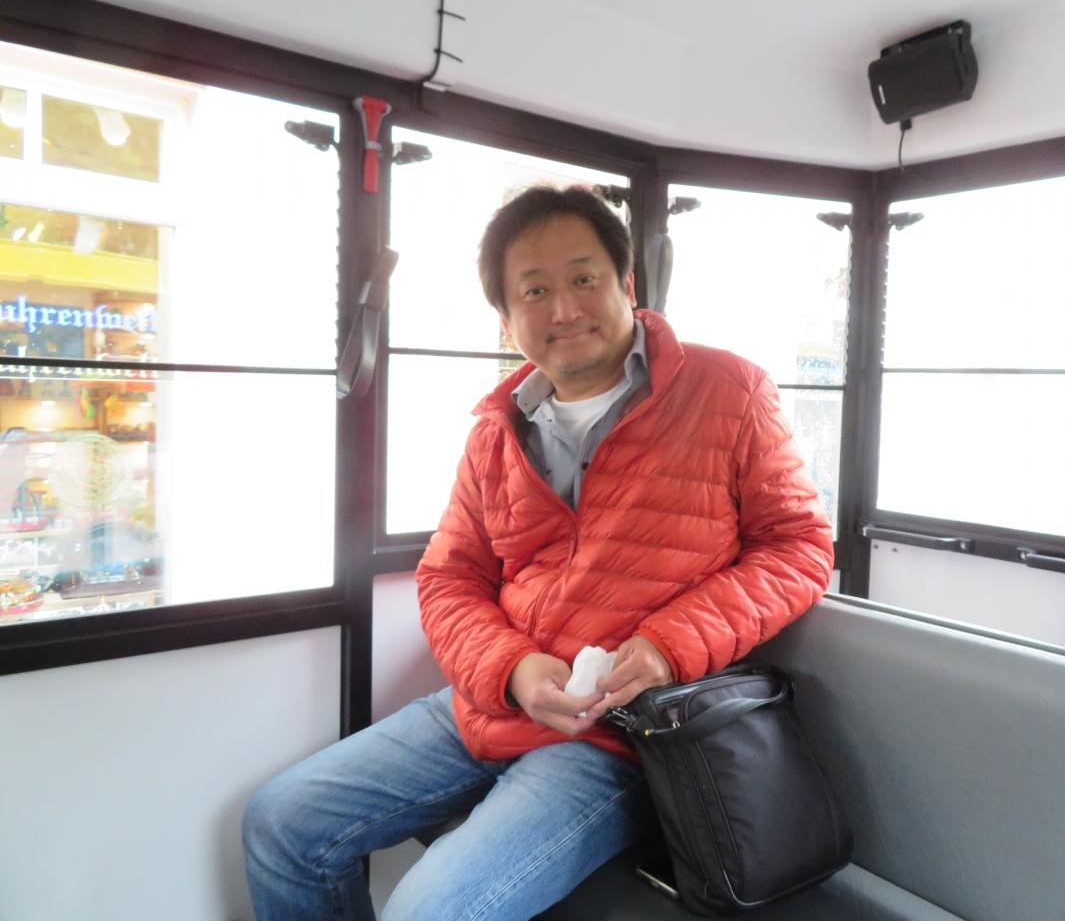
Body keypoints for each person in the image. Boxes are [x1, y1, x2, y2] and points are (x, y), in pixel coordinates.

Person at [241, 185, 834, 921]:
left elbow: (799, 547)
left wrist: (668, 646)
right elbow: (449, 578)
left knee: (428, 913)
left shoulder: (727, 390)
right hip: (493, 703)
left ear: (626, 284)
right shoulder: (496, 430)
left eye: (584, 279)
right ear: (506, 317)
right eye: (535, 291)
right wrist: (513, 669)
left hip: (622, 734)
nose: (564, 309)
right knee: (282, 823)